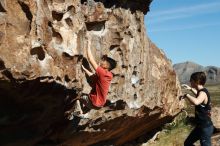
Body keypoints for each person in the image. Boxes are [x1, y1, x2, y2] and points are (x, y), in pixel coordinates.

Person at [68, 39, 117, 119]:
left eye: (104, 61)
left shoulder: (103, 72)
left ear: (107, 66)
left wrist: (88, 44)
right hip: (99, 105)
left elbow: (91, 60)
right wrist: (84, 69)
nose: (102, 62)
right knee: (89, 100)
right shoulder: (108, 76)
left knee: (79, 96)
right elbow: (92, 76)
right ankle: (84, 112)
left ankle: (79, 112)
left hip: (93, 102)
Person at [180, 72, 214, 146]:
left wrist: (187, 95)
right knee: (187, 143)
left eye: (191, 80)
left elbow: (196, 101)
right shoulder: (201, 91)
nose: (190, 81)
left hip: (205, 127)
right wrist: (190, 89)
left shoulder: (203, 93)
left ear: (197, 81)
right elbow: (198, 95)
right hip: (200, 127)